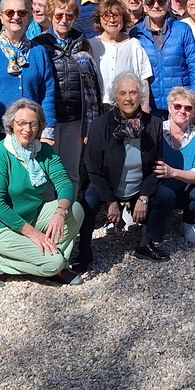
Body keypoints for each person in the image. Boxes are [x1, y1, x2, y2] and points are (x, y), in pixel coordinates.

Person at [0, 99, 84, 286]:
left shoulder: (43, 151)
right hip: (1, 226)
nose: (27, 129)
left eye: (33, 124)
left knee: (75, 210)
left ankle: (52, 262)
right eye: (22, 123)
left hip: (32, 215)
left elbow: (64, 183)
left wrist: (60, 211)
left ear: (39, 126)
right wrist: (34, 234)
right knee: (53, 263)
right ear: (12, 124)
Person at [76, 73, 174, 269]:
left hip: (138, 185)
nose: (128, 98)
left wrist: (144, 197)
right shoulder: (99, 125)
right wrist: (110, 200)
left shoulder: (154, 124)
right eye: (122, 93)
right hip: (108, 185)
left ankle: (146, 244)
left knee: (166, 196)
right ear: (115, 96)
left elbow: (157, 164)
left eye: (133, 93)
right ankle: (84, 250)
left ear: (141, 95)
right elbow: (92, 167)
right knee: (87, 202)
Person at [0, 0, 58, 175]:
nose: (16, 17)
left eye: (21, 13)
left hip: (28, 134)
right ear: (1, 17)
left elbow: (47, 92)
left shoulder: (38, 52)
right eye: (10, 12)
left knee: (26, 184)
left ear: (29, 17)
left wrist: (48, 131)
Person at [32, 0, 101, 192]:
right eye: (59, 15)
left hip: (75, 119)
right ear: (50, 15)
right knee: (46, 170)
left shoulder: (83, 44)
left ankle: (68, 210)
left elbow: (93, 86)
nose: (64, 20)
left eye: (69, 16)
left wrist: (90, 123)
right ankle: (47, 210)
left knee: (71, 172)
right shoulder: (39, 45)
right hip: (47, 119)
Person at [130, 0, 195, 116]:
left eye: (161, 1)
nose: (156, 6)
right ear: (144, 7)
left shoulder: (182, 29)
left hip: (180, 106)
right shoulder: (136, 33)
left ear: (168, 4)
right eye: (150, 2)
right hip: (149, 107)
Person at [157, 87, 195, 243]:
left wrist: (172, 172)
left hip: (186, 189)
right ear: (169, 108)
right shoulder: (156, 130)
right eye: (177, 106)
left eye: (188, 108)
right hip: (159, 189)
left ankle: (189, 222)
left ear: (194, 112)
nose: (182, 111)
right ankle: (152, 220)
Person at [88, 0, 153, 110]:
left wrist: (145, 107)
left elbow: (143, 79)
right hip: (98, 107)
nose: (112, 20)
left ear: (123, 19)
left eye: (116, 16)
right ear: (100, 20)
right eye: (106, 16)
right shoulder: (91, 45)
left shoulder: (133, 44)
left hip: (127, 107)